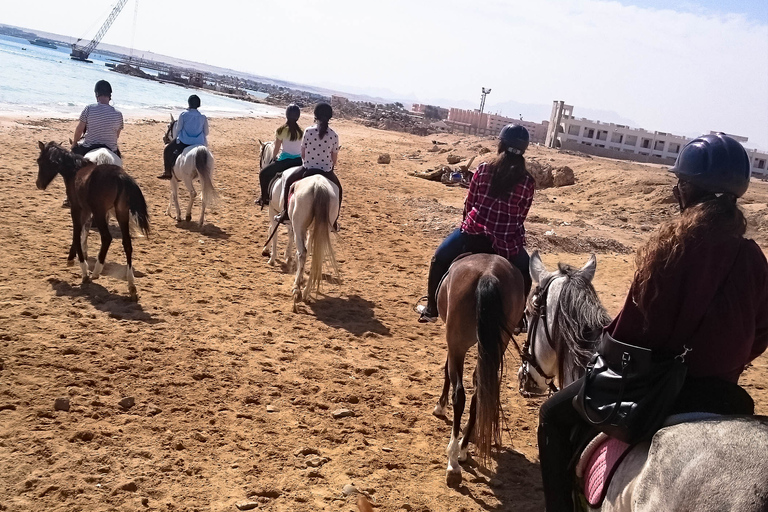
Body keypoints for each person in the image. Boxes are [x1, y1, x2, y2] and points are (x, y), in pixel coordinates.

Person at [537, 133, 768, 512]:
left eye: (680, 184)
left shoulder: (669, 249)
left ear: (688, 191)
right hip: (726, 394)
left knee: (552, 417)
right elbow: (760, 335)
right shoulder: (753, 257)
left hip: (658, 391)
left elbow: (630, 332)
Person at [415, 124, 535, 323]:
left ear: (501, 145)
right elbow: (522, 215)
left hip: (473, 234)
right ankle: (519, 319)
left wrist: (468, 224)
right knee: (527, 271)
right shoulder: (528, 181)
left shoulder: (484, 169)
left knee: (439, 258)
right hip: (507, 243)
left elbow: (469, 203)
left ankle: (431, 309)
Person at [274, 102, 342, 230]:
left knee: (288, 181)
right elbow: (334, 159)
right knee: (339, 191)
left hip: (307, 169)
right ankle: (334, 221)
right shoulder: (334, 135)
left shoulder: (308, 131)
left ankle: (285, 213)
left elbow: (303, 154)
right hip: (326, 172)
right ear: (330, 117)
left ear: (315, 115)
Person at [256, 104, 303, 207]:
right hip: (299, 162)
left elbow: (276, 148)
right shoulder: (301, 131)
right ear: (298, 116)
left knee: (263, 174)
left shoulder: (281, 130)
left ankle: (264, 198)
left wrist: (273, 158)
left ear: (286, 115)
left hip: (285, 161)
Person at [158, 94, 209, 180]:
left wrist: (177, 139)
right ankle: (205, 175)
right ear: (198, 105)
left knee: (167, 150)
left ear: (189, 103)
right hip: (199, 143)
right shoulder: (203, 117)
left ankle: (167, 172)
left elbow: (178, 129)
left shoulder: (183, 114)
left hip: (184, 142)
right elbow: (206, 133)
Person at [71, 79, 123, 158]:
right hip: (111, 149)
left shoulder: (89, 108)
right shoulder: (119, 114)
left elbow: (79, 130)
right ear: (110, 95)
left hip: (89, 147)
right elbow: (116, 135)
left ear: (96, 94)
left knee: (71, 160)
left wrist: (74, 143)